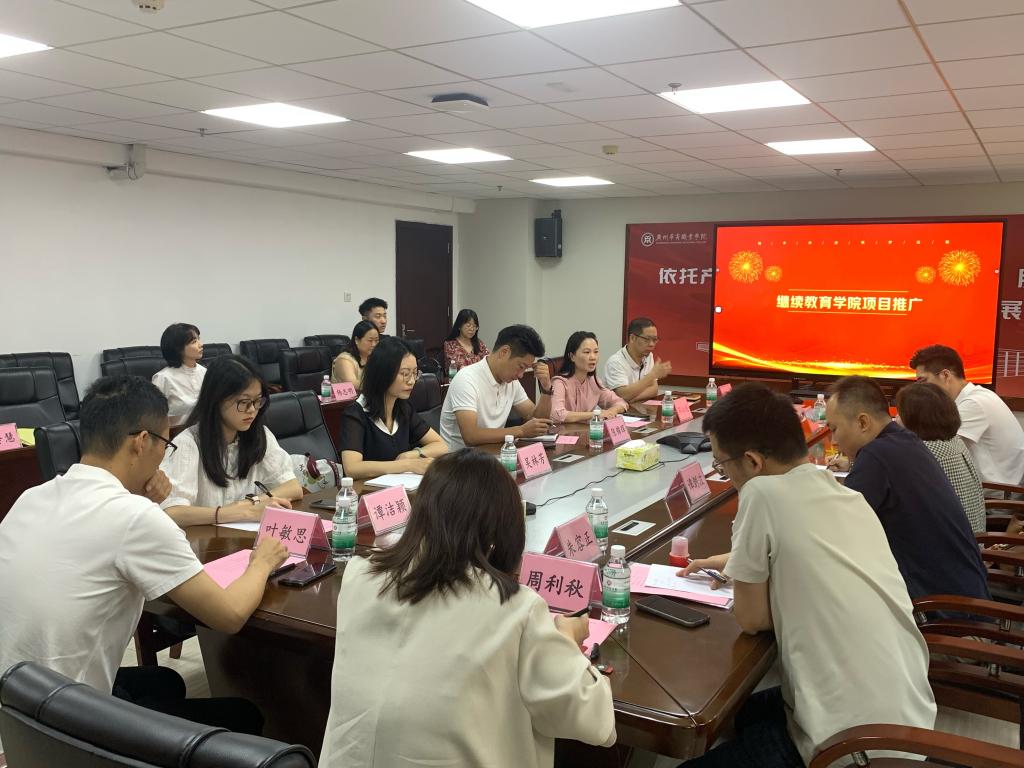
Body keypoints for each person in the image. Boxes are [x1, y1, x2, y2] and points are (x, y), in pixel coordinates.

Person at [0, 376, 288, 736]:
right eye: (165, 444)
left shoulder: (32, 496)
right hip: (67, 722)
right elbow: (229, 616)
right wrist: (262, 561)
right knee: (242, 715)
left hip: (17, 701)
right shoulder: (135, 518)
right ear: (141, 442)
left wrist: (142, 500)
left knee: (163, 682)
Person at [679, 383, 935, 768]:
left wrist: (748, 572)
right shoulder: (848, 496)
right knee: (747, 713)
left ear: (752, 462)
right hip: (904, 723)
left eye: (722, 464)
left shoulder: (761, 494)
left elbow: (752, 619)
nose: (723, 473)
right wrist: (735, 563)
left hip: (850, 750)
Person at [319, 449, 615, 767]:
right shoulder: (515, 608)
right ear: (502, 530)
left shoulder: (359, 577)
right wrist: (567, 639)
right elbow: (594, 722)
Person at [824, 376, 989, 601]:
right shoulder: (906, 440)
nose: (834, 439)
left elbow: (837, 530)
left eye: (834, 428)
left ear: (863, 423)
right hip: (967, 593)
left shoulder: (876, 455)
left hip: (939, 609)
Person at [160, 355, 303, 527]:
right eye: (244, 402)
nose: (252, 410)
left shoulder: (259, 435)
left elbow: (292, 487)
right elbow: (172, 512)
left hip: (246, 537)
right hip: (206, 540)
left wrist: (251, 504)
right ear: (217, 399)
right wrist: (234, 512)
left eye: (257, 401)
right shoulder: (188, 444)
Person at [910, 344, 1024, 485]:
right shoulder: (975, 396)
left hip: (998, 492)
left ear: (945, 375)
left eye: (923, 381)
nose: (919, 389)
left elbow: (934, 450)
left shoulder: (974, 403)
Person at [338, 337, 448, 480]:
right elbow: (352, 468)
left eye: (415, 373)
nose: (412, 381)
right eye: (405, 374)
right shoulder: (355, 413)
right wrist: (407, 465)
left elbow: (441, 445)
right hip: (366, 490)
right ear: (383, 373)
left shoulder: (403, 408)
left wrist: (413, 454)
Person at [439, 324, 552, 451]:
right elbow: (471, 436)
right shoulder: (466, 379)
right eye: (521, 366)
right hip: (458, 459)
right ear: (504, 352)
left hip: (493, 455)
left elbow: (537, 421)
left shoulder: (511, 382)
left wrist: (546, 388)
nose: (521, 375)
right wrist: (521, 430)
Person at [896, 382, 986, 534]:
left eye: (900, 413)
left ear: (915, 418)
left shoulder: (921, 452)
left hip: (946, 542)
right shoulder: (954, 441)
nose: (896, 419)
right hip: (973, 539)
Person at [550, 331, 628, 424]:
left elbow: (620, 402)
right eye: (587, 352)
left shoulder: (594, 382)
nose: (593, 357)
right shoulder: (560, 383)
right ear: (572, 356)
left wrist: (611, 412)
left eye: (596, 352)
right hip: (565, 432)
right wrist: (595, 414)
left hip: (586, 431)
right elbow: (557, 414)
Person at [603, 317, 672, 404]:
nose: (651, 344)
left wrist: (632, 399)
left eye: (654, 340)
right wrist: (652, 375)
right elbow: (623, 395)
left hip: (635, 408)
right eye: (647, 339)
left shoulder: (648, 356)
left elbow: (654, 390)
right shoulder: (615, 362)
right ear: (632, 338)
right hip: (614, 411)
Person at [151, 322, 205, 426]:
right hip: (175, 432)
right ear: (178, 349)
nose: (201, 344)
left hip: (204, 429)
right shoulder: (163, 378)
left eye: (199, 339)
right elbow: (154, 416)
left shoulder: (204, 372)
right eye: (194, 342)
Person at [331, 320, 379, 391]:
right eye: (370, 340)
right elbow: (353, 385)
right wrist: (381, 384)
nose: (374, 344)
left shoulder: (374, 357)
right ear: (356, 340)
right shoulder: (344, 360)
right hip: (349, 398)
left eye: (376, 340)